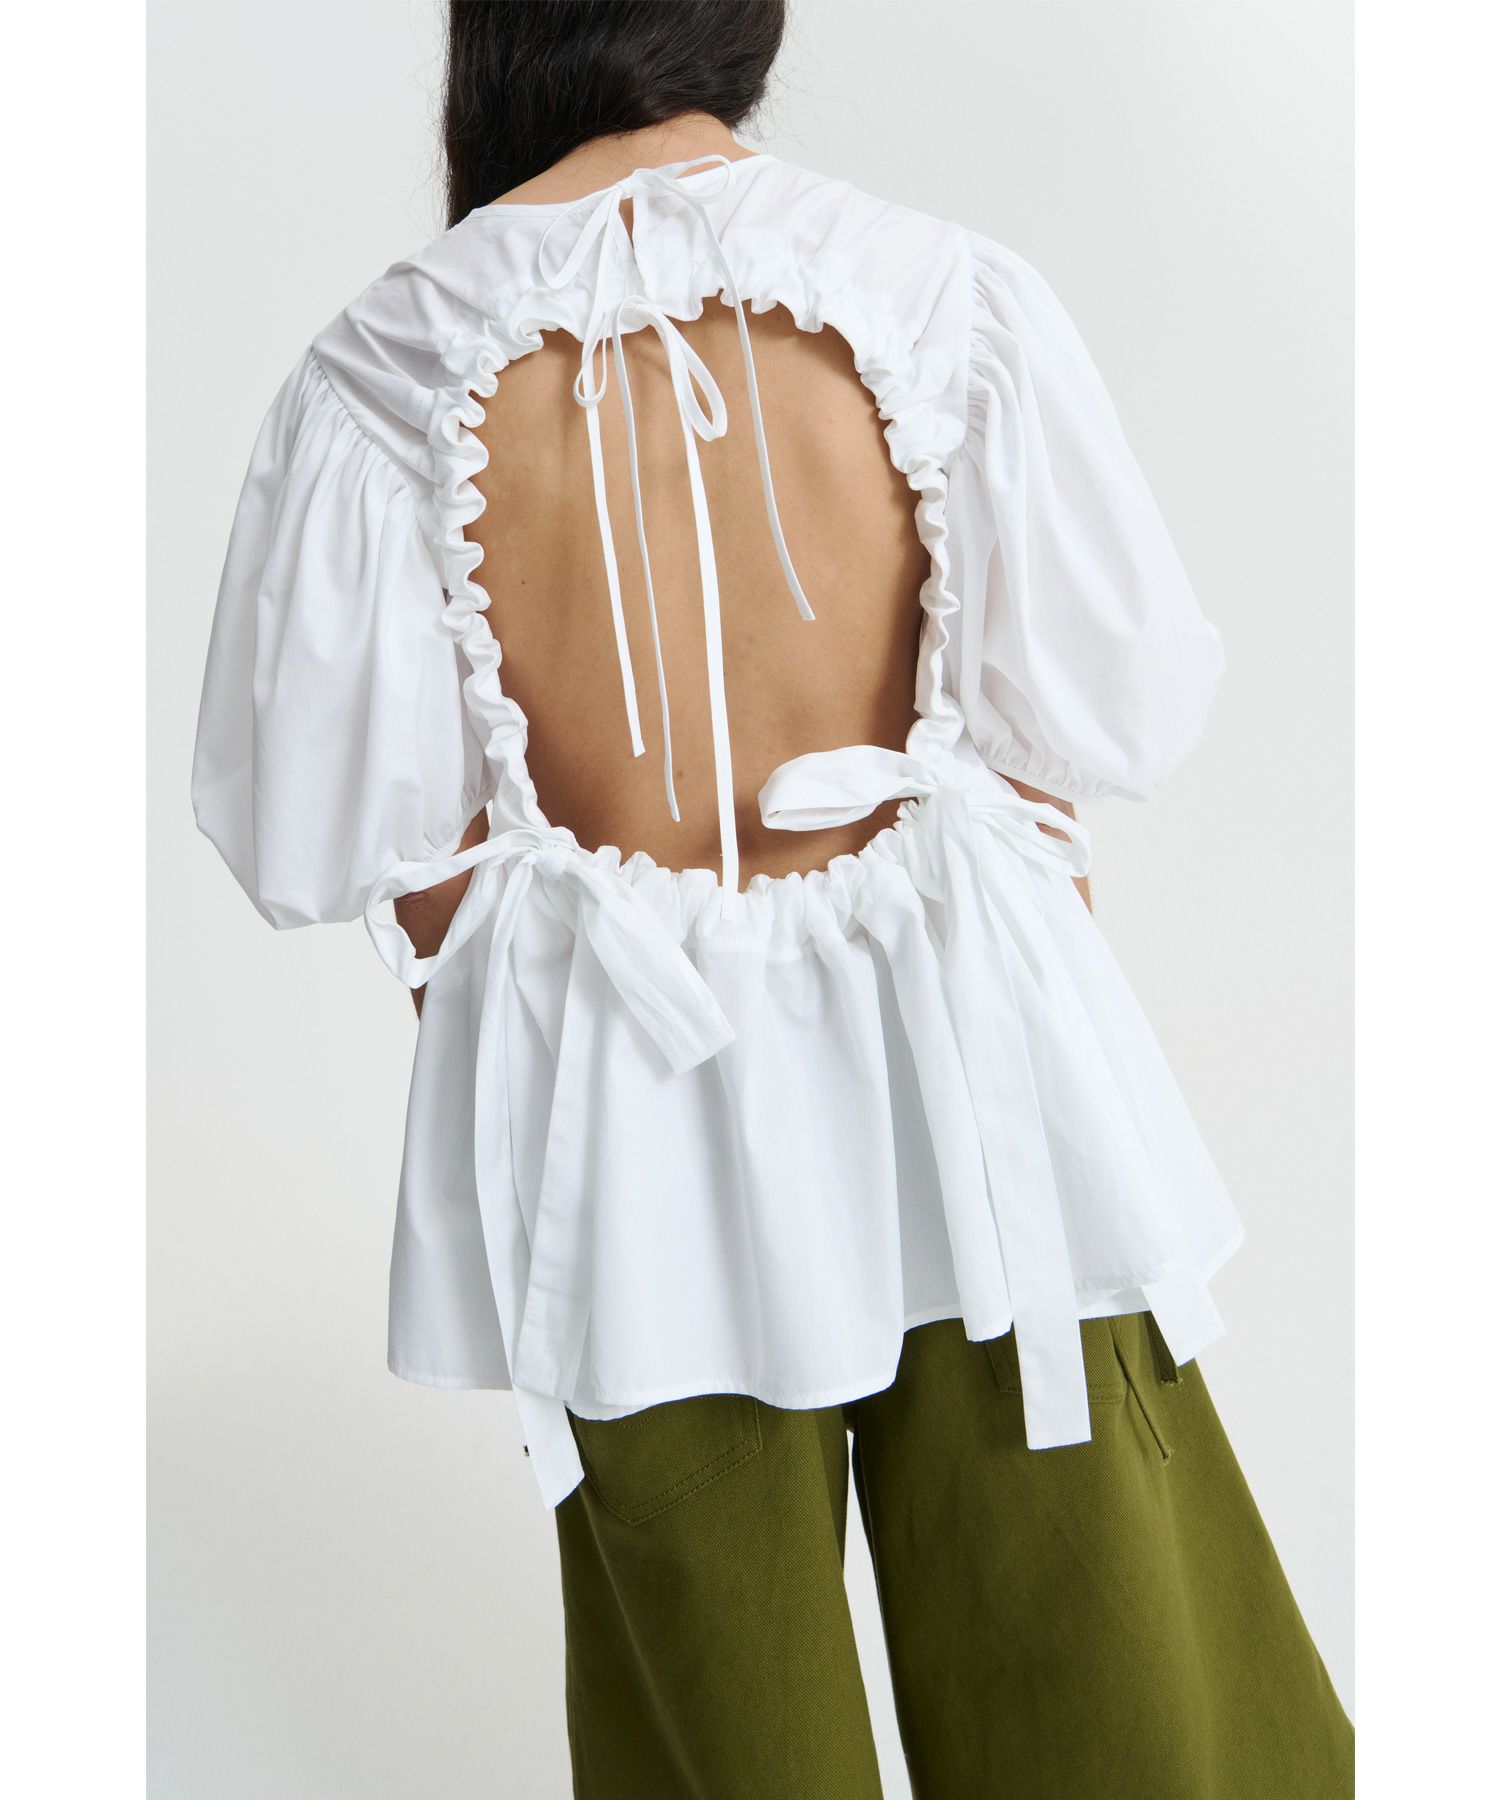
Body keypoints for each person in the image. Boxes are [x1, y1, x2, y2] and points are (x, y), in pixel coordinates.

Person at [192, 2, 1354, 1793]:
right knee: (1116, 1676)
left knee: (725, 1730)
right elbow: (1085, 737)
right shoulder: (942, 292)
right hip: (973, 1070)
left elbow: (373, 862)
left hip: (625, 1119)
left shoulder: (381, 373)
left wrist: (574, 1062)